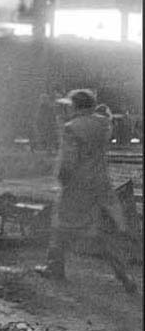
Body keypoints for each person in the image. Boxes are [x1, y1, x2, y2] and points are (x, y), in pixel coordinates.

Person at [36, 89, 138, 294]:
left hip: (77, 187)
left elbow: (68, 160)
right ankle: (125, 276)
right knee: (104, 234)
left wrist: (61, 179)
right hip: (101, 186)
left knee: (60, 227)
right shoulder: (103, 125)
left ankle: (54, 267)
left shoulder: (71, 128)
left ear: (77, 106)